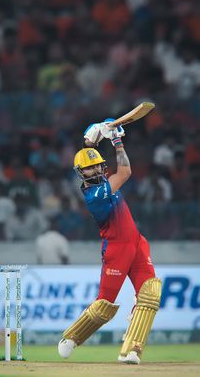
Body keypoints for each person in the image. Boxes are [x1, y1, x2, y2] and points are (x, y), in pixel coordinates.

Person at [58, 120, 162, 365]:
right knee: (104, 305)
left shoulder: (101, 179)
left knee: (150, 295)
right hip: (115, 250)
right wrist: (115, 140)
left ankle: (132, 349)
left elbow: (87, 150)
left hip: (136, 242)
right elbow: (125, 172)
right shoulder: (94, 196)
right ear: (81, 174)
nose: (96, 170)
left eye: (98, 166)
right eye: (90, 169)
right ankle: (71, 337)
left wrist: (94, 138)